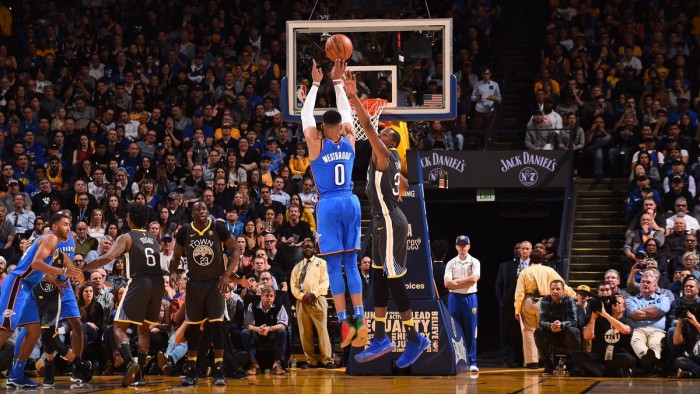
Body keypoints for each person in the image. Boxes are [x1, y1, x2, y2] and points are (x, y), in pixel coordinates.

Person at [346, 71, 430, 368]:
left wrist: (352, 95)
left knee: (395, 282)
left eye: (384, 133)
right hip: (384, 222)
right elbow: (405, 186)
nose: (378, 134)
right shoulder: (389, 163)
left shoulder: (385, 154)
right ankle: (381, 337)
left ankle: (416, 338)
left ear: (391, 141)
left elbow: (366, 125)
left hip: (391, 222)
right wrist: (395, 191)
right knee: (379, 280)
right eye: (380, 132)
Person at [300, 59, 365, 347]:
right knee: (352, 264)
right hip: (351, 201)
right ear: (340, 127)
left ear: (322, 128)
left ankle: (344, 326)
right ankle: (361, 324)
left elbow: (304, 115)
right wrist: (338, 83)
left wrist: (315, 83)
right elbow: (347, 112)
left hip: (327, 203)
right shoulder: (349, 138)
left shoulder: (316, 142)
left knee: (334, 265)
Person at [80, 203, 165, 387]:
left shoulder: (127, 237)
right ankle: (140, 375)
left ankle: (130, 362)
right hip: (158, 284)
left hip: (140, 281)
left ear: (130, 219)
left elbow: (108, 257)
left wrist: (85, 267)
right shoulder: (153, 238)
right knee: (143, 330)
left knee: (118, 327)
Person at [0, 213, 81, 388]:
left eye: (70, 224)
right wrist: (63, 272)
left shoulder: (53, 244)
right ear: (55, 227)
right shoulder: (51, 237)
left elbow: (41, 270)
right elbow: (37, 264)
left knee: (34, 329)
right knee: (6, 329)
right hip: (18, 282)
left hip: (27, 286)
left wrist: (59, 280)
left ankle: (16, 375)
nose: (68, 227)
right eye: (65, 224)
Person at [169, 201, 241, 386]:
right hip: (194, 284)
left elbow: (236, 250)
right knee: (192, 328)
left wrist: (226, 274)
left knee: (217, 326)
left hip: (215, 284)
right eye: (198, 209)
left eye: (204, 209)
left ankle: (219, 371)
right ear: (192, 213)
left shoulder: (217, 227)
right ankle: (191, 371)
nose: (202, 211)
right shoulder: (185, 231)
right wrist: (172, 272)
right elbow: (176, 255)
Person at [514, 248, 575, 368]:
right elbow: (563, 285)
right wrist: (575, 295)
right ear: (542, 259)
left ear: (531, 259)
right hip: (546, 301)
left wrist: (517, 309)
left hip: (529, 301)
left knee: (529, 331)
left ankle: (532, 361)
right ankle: (543, 359)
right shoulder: (549, 270)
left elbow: (519, 292)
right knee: (544, 330)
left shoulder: (525, 272)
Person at [290, 239, 333, 369]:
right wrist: (303, 296)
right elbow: (293, 286)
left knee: (322, 330)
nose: (307, 249)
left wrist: (313, 294)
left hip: (318, 299)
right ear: (301, 249)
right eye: (305, 247)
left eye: (310, 247)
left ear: (314, 249)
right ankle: (310, 360)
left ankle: (327, 359)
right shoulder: (297, 267)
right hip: (302, 302)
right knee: (305, 332)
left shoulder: (323, 264)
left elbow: (325, 282)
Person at [572, 294, 635, 377]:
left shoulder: (627, 321)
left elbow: (625, 330)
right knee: (577, 355)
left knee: (628, 358)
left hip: (617, 356)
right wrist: (593, 318)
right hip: (600, 356)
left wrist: (606, 315)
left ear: (624, 308)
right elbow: (587, 337)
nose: (616, 304)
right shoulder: (600, 321)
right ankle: (608, 371)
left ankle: (597, 371)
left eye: (619, 303)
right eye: (614, 303)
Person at [443, 235, 481, 372]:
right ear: (456, 246)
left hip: (469, 298)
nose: (462, 247)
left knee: (471, 330)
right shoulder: (451, 263)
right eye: (460, 244)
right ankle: (456, 360)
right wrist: (464, 281)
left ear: (469, 246)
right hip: (454, 298)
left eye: (465, 245)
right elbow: (447, 284)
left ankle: (472, 361)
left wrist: (456, 282)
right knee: (454, 329)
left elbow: (474, 280)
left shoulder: (474, 262)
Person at [626, 270, 670, 376]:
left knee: (655, 344)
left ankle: (648, 361)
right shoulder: (631, 299)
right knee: (636, 341)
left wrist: (640, 309)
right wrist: (656, 314)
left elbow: (662, 310)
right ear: (640, 285)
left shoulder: (663, 297)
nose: (645, 284)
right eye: (643, 282)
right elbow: (633, 314)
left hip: (657, 330)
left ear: (655, 286)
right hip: (638, 329)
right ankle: (651, 361)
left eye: (648, 282)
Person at [534, 280, 581, 374]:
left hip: (566, 334)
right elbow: (542, 321)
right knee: (538, 331)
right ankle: (547, 364)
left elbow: (574, 321)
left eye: (558, 289)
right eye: (552, 289)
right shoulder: (545, 300)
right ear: (550, 291)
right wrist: (550, 325)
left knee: (573, 330)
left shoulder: (569, 300)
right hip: (552, 333)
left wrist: (561, 325)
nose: (555, 291)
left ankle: (576, 363)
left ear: (563, 291)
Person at [241, 285, 289, 375]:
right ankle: (255, 365)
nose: (269, 298)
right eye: (267, 296)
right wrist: (258, 329)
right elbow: (246, 324)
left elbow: (283, 325)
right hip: (258, 333)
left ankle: (277, 365)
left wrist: (269, 328)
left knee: (282, 332)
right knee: (245, 333)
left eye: (271, 296)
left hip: (272, 334)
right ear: (261, 296)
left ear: (274, 297)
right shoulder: (253, 305)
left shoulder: (279, 306)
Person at [495, 242, 524, 368]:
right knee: (505, 333)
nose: (518, 250)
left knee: (519, 333)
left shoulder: (527, 266)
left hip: (522, 305)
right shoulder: (504, 266)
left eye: (521, 248)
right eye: (516, 248)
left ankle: (520, 358)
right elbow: (498, 285)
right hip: (506, 305)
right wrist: (501, 301)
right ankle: (505, 359)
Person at [470, 66, 501, 131]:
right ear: (482, 74)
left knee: (488, 129)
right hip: (479, 110)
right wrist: (476, 98)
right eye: (484, 74)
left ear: (490, 74)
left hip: (489, 110)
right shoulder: (478, 84)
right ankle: (479, 140)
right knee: (478, 129)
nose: (486, 75)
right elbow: (472, 97)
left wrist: (494, 98)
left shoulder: (495, 84)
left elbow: (499, 98)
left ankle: (486, 140)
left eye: (487, 74)